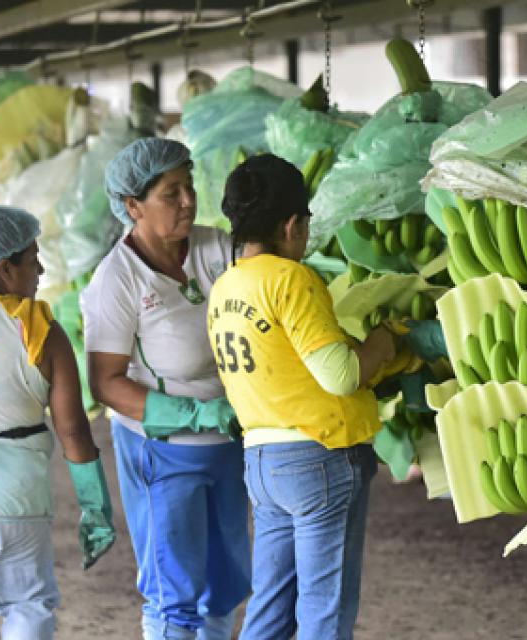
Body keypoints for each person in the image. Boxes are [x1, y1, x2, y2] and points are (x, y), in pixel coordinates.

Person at [208, 154, 403, 639]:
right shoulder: (291, 279)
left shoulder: (224, 287)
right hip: (319, 458)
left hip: (264, 463)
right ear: (292, 224)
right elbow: (340, 375)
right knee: (324, 610)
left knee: (270, 608)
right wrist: (387, 340)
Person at [81, 138, 250, 640]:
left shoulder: (216, 246)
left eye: (189, 187)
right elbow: (106, 382)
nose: (187, 201)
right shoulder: (118, 280)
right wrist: (194, 414)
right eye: (170, 192)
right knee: (172, 585)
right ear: (133, 206)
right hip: (163, 449)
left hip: (230, 441)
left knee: (224, 578)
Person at [0, 205, 115, 640]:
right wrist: (95, 505)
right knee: (28, 605)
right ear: (4, 268)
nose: (42, 270)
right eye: (34, 260)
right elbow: (72, 428)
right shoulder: (39, 328)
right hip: (16, 492)